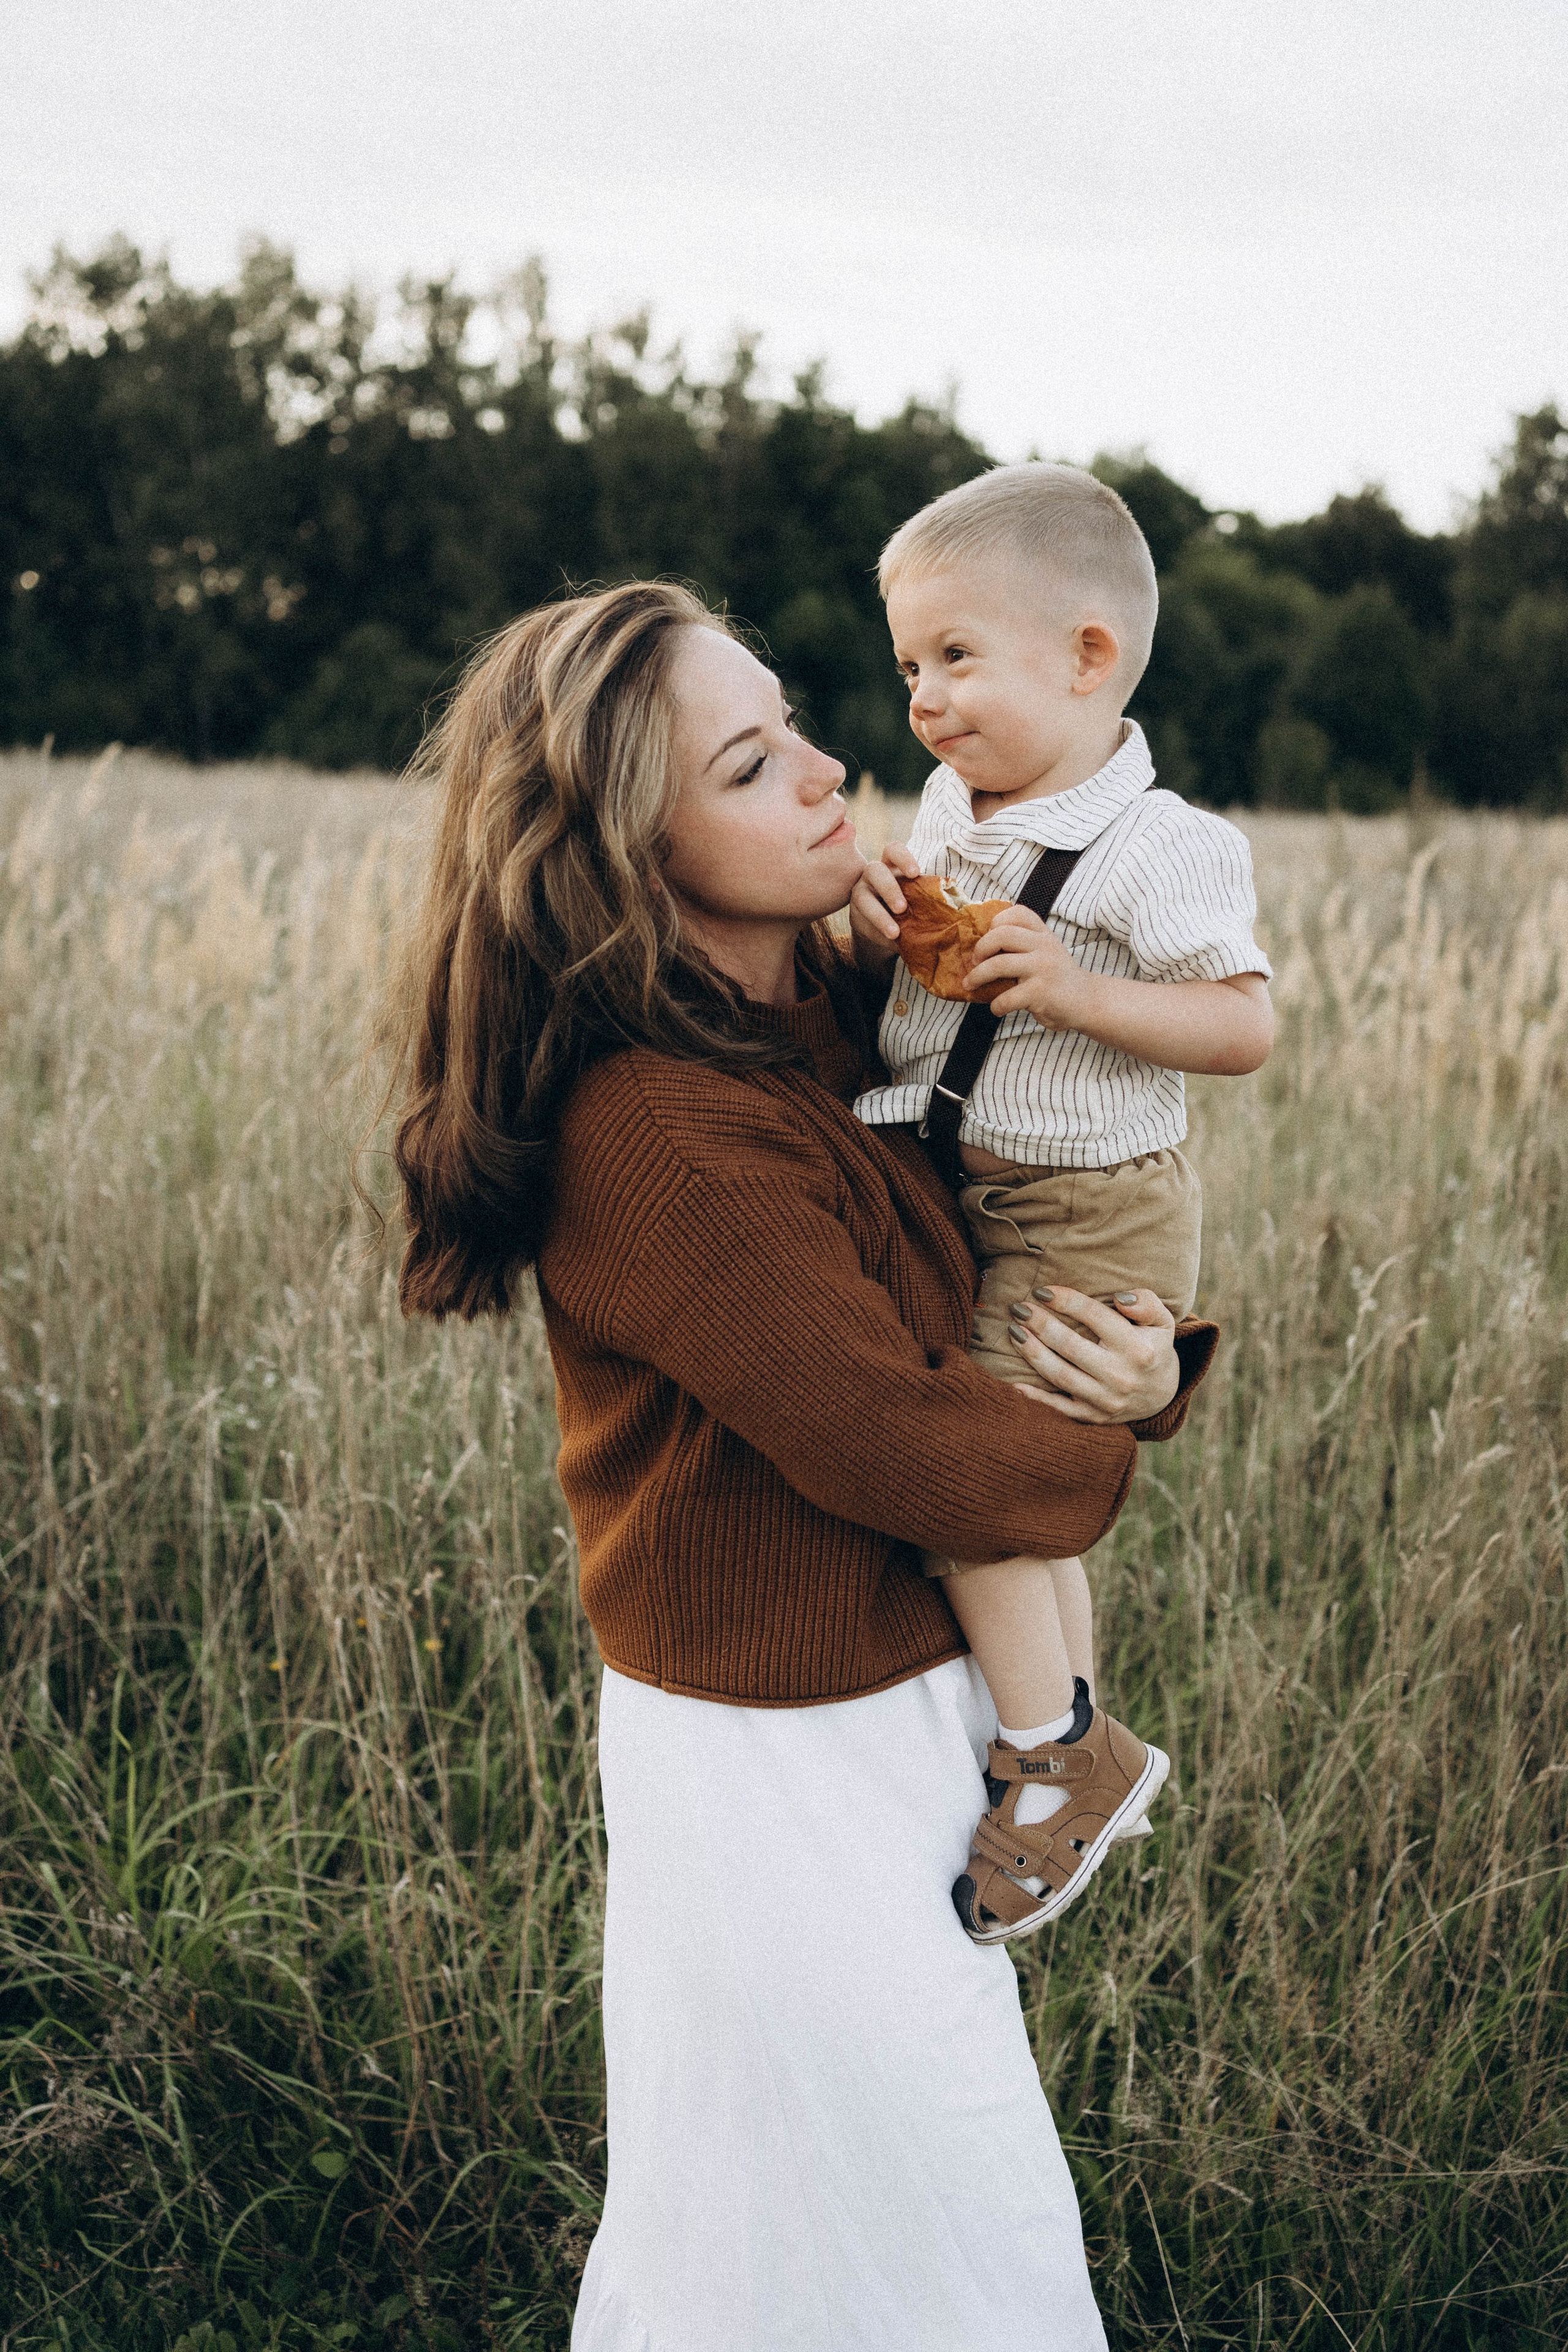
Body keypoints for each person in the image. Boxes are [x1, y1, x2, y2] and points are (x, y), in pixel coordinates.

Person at [385, 578, 1218, 2352]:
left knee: (863, 2208)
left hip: (898, 1706)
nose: (839, 773)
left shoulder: (846, 1015)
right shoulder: (664, 1130)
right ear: (627, 852)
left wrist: (1139, 1364)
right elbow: (909, 1445)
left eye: (796, 719)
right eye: (757, 765)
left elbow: (1004, 1272)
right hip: (777, 1754)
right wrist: (1097, 1447)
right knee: (898, 2205)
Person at [850, 464, 1273, 1945]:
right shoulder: (958, 805)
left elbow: (1240, 1025)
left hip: (1089, 1203)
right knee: (1022, 1494)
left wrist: (1081, 990)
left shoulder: (1163, 843)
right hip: (973, 1179)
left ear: (1087, 656)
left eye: (956, 657)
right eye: (908, 665)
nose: (923, 696)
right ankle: (1066, 1723)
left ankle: (1056, 1762)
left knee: (973, 1483)